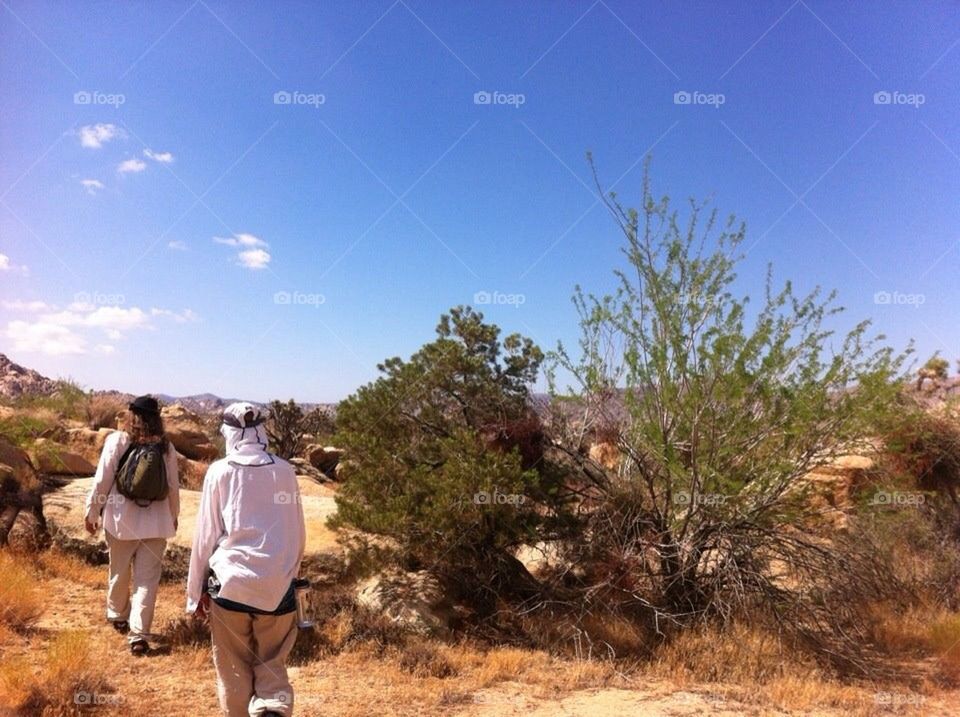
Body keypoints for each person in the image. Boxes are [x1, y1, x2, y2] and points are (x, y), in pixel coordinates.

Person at [187, 402, 306, 717]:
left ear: (228, 433)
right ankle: (271, 707)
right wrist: (289, 578)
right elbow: (297, 531)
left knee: (233, 670)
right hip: (278, 587)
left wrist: (194, 592)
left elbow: (205, 536)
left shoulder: (219, 472)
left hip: (231, 586)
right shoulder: (284, 471)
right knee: (272, 663)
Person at [84, 395, 180, 655]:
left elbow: (102, 479)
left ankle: (117, 615)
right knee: (147, 580)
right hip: (157, 524)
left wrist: (92, 511)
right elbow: (172, 486)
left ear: (131, 416)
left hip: (120, 521)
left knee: (119, 569)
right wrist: (173, 515)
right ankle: (138, 635)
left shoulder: (118, 440)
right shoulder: (166, 447)